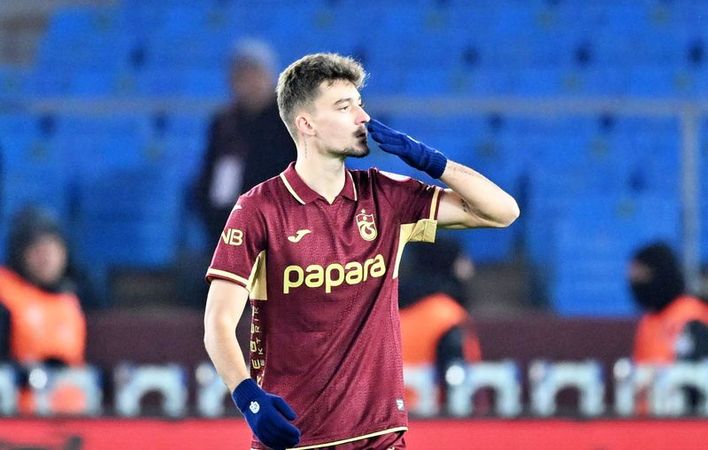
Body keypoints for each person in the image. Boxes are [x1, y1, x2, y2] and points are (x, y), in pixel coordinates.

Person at [203, 53, 519, 450]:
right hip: (295, 436)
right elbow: (218, 322)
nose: (362, 117)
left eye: (360, 104)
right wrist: (248, 397)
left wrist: (431, 162)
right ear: (306, 124)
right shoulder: (259, 209)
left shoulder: (386, 195)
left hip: (379, 437)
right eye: (344, 107)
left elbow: (502, 212)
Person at [195, 38, 296, 241]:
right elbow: (210, 177)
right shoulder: (224, 124)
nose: (247, 83)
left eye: (254, 74)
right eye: (240, 75)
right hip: (229, 229)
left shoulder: (292, 122)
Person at [0, 207, 87, 414]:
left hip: (71, 416)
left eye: (52, 248)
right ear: (20, 253)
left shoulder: (72, 298)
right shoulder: (5, 297)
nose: (46, 258)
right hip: (16, 417)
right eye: (37, 250)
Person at [398, 238, 483, 416]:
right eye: (462, 259)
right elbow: (455, 380)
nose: (469, 268)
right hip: (431, 417)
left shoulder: (388, 306)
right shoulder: (447, 315)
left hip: (388, 414)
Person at [628, 242, 708, 413]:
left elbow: (695, 379)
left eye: (641, 274)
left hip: (682, 418)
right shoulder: (649, 320)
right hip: (646, 416)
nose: (635, 282)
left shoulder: (691, 315)